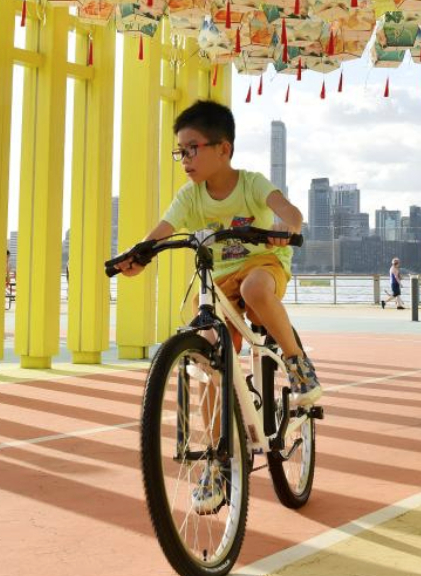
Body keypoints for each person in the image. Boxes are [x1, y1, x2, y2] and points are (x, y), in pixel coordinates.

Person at [112, 100, 320, 514]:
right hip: (217, 281)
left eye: (192, 149)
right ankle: (217, 458)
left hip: (261, 265)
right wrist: (139, 254)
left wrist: (286, 227)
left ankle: (298, 366)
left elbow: (291, 212)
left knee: (259, 292)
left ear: (223, 149)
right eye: (180, 152)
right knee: (207, 359)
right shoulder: (189, 198)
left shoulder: (251, 184)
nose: (184, 159)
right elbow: (161, 231)